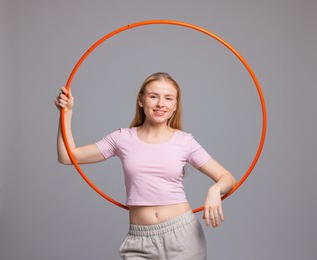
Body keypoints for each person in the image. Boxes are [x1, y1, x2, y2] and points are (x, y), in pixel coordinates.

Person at [55, 72, 237, 259]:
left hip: (183, 236)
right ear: (141, 101)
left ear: (175, 106)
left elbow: (228, 178)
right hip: (139, 239)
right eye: (153, 96)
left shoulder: (185, 141)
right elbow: (68, 157)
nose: (160, 104)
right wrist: (67, 113)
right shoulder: (122, 138)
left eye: (168, 98)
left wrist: (215, 190)